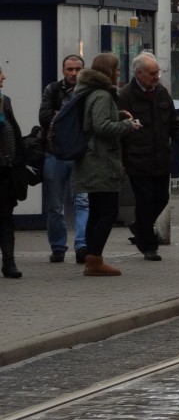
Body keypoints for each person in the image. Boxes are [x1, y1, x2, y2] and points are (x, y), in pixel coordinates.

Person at [117, 52, 179, 260]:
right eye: (152, 73)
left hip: (160, 158)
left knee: (162, 198)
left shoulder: (161, 92)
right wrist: (122, 161)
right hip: (137, 158)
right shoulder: (125, 96)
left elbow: (174, 122)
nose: (156, 77)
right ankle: (148, 245)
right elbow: (119, 133)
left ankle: (139, 226)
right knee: (144, 200)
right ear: (139, 73)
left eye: (157, 72)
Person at [74, 52, 139, 277]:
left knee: (96, 210)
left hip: (91, 160)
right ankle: (94, 259)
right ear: (108, 71)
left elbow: (95, 121)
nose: (120, 73)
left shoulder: (89, 91)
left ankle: (92, 258)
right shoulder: (101, 94)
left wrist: (118, 115)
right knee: (108, 212)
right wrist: (127, 126)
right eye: (117, 69)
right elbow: (102, 127)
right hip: (101, 161)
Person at [40, 54, 90, 264]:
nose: (73, 73)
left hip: (80, 154)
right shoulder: (52, 90)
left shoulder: (87, 92)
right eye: (70, 69)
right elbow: (43, 117)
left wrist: (60, 115)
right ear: (63, 71)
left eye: (78, 69)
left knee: (82, 201)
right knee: (54, 204)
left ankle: (82, 245)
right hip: (56, 152)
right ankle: (58, 247)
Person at [0, 65, 30, 279]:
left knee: (5, 217)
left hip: (5, 171)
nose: (4, 76)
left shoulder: (4, 101)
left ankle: (9, 263)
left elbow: (13, 132)